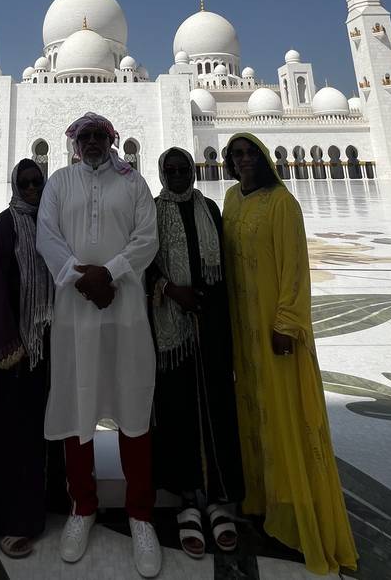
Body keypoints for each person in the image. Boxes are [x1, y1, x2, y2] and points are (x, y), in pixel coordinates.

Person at [221, 133, 358, 575]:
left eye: (250, 154)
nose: (243, 161)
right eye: (236, 155)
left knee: (286, 418)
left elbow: (296, 270)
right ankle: (263, 502)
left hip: (276, 332)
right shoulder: (232, 200)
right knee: (256, 416)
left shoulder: (283, 203)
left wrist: (286, 324)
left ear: (264, 158)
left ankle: (299, 515)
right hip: (244, 333)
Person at [36, 113, 162, 579]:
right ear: (74, 142)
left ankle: (141, 515)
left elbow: (146, 239)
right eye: (83, 136)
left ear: (112, 140)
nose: (91, 143)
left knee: (132, 404)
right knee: (76, 404)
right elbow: (46, 237)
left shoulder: (133, 183)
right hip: (75, 314)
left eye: (99, 136)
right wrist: (80, 277)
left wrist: (109, 273)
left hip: (125, 309)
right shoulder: (59, 182)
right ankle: (82, 507)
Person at [149, 147, 244, 560]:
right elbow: (144, 264)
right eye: (168, 170)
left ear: (194, 170)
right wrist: (172, 291)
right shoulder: (150, 212)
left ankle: (220, 498)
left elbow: (226, 265)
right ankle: (187, 498)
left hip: (209, 328)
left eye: (182, 168)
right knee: (176, 408)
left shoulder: (209, 208)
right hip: (171, 329)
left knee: (218, 406)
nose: (175, 175)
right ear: (161, 173)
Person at [0, 159, 54, 558]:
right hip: (13, 351)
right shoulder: (3, 227)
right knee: (11, 434)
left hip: (44, 345)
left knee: (42, 430)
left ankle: (42, 504)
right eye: (24, 182)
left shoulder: (51, 227)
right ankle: (8, 517)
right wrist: (8, 343)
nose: (31, 188)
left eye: (36, 182)